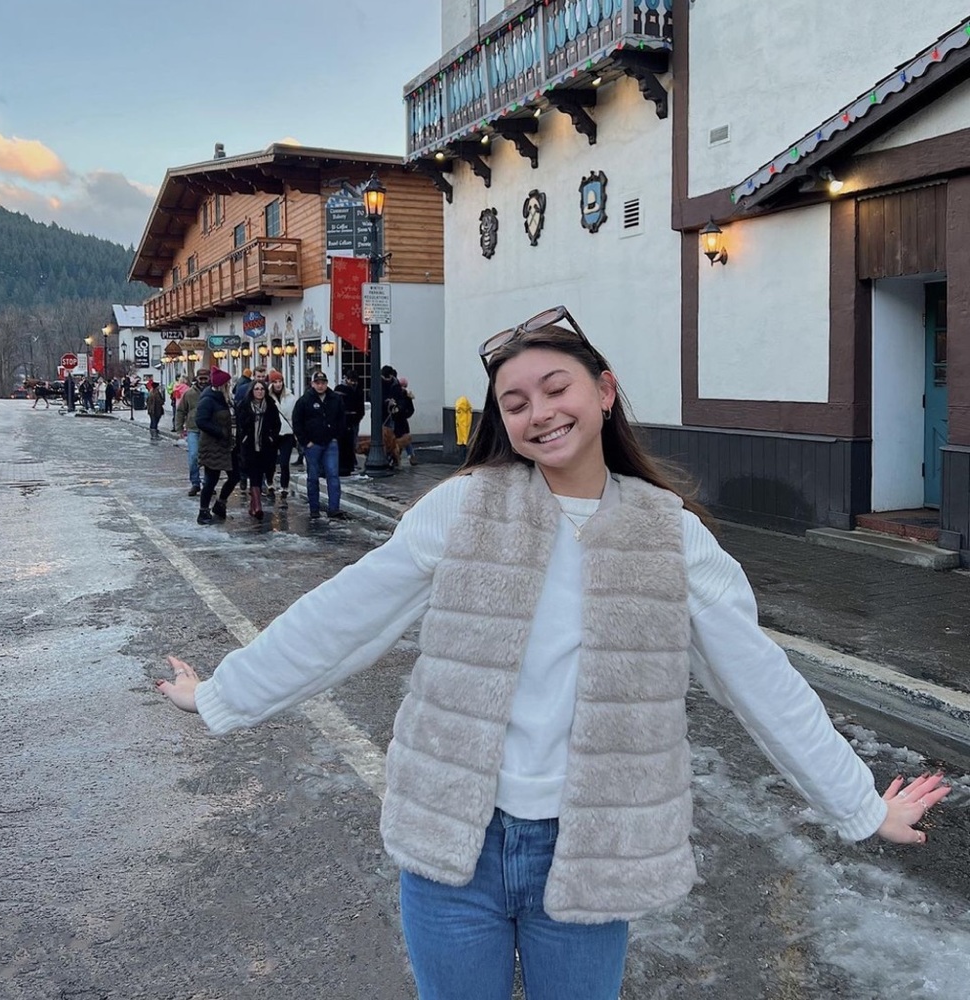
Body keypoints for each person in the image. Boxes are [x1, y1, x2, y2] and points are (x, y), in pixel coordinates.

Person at [157, 308, 949, 1000]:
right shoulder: (465, 510)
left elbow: (760, 680)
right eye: (516, 402)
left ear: (604, 392)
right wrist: (223, 694)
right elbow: (341, 619)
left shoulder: (670, 534)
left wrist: (862, 806)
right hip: (452, 852)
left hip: (590, 851)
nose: (540, 411)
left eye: (556, 388)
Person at [292, 370, 346, 520]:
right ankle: (314, 508)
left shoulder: (335, 399)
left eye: (323, 383)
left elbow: (342, 419)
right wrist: (305, 442)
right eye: (318, 383)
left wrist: (336, 437)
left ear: (327, 383)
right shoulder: (304, 400)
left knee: (333, 475)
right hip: (312, 444)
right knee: (313, 476)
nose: (320, 386)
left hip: (331, 443)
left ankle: (334, 508)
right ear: (312, 384)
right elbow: (297, 422)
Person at [194, 367, 238, 525]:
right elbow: (200, 421)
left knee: (235, 476)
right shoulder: (208, 399)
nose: (230, 385)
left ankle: (220, 503)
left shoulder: (225, 399)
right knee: (211, 479)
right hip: (213, 445)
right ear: (222, 385)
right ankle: (203, 512)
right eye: (228, 383)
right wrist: (220, 432)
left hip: (228, 445)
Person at [236, 378, 280, 520]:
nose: (259, 392)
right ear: (252, 391)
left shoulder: (271, 406)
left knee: (261, 473)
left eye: (262, 389)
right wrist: (243, 438)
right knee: (253, 473)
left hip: (265, 445)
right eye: (257, 389)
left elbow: (276, 424)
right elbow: (240, 424)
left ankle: (253, 505)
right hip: (249, 445)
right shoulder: (245, 405)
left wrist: (272, 437)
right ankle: (258, 505)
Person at [176, 369, 210, 496]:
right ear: (197, 379)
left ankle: (208, 484)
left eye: (205, 378)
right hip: (193, 429)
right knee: (193, 456)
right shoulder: (189, 394)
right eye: (201, 378)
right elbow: (180, 411)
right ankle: (195, 483)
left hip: (209, 430)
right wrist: (179, 428)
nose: (203, 381)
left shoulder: (213, 392)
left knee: (209, 458)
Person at [266, 370, 298, 500]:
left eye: (280, 381)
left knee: (284, 463)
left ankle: (284, 487)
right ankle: (270, 484)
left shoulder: (291, 397)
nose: (278, 384)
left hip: (287, 433)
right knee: (270, 462)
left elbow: (295, 416)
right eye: (275, 382)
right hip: (272, 434)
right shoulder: (266, 397)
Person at [333, 369, 364, 477]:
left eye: (355, 381)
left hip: (354, 419)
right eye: (351, 380)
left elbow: (360, 406)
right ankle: (345, 462)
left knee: (353, 441)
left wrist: (358, 416)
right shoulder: (340, 390)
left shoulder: (358, 390)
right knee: (343, 442)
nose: (353, 383)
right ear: (346, 379)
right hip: (343, 420)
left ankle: (351, 461)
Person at [395, 376, 417, 466]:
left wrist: (404, 414)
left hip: (401, 421)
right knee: (401, 440)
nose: (403, 388)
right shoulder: (398, 395)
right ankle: (399, 457)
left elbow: (411, 409)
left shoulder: (406, 396)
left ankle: (410, 456)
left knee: (405, 440)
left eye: (404, 386)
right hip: (399, 421)